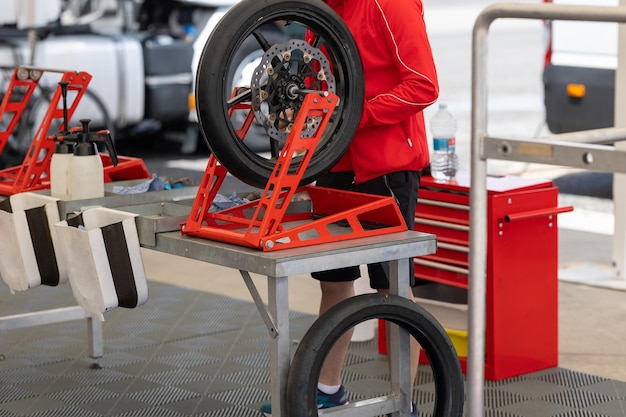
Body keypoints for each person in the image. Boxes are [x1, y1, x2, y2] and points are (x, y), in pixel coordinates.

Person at [261, 0, 438, 415]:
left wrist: (356, 116)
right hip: (337, 160)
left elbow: (424, 84)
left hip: (387, 165)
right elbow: (316, 86)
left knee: (391, 286)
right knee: (335, 281)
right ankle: (327, 388)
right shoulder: (320, 16)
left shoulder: (389, 6)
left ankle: (404, 404)